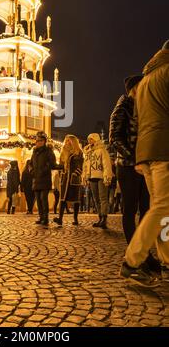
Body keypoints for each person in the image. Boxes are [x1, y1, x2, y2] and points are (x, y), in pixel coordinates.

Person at [120, 40, 169, 287]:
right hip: (164, 148)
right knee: (162, 207)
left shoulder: (147, 79)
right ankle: (133, 262)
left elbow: (139, 121)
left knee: (163, 209)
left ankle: (167, 260)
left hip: (147, 152)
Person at [109, 75, 150, 242]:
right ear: (135, 88)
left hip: (144, 164)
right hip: (127, 166)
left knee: (146, 209)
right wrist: (133, 157)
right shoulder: (123, 107)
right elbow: (115, 139)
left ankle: (142, 249)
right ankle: (133, 248)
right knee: (130, 209)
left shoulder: (144, 107)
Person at [82, 133, 113, 229]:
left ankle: (104, 218)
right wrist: (85, 176)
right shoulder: (88, 152)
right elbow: (85, 166)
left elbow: (106, 164)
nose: (89, 141)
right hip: (91, 177)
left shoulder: (102, 150)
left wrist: (107, 176)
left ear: (96, 139)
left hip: (101, 177)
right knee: (96, 199)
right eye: (88, 139)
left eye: (91, 139)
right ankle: (100, 217)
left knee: (103, 198)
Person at [30, 131, 59, 227]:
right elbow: (30, 164)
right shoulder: (34, 152)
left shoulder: (48, 151)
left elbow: (52, 163)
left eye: (41, 140)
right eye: (37, 140)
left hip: (45, 179)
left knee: (43, 199)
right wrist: (32, 172)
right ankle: (41, 216)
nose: (39, 142)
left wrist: (43, 170)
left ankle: (45, 217)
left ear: (44, 141)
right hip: (36, 179)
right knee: (38, 200)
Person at [54, 135, 84, 226]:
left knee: (76, 200)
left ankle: (75, 219)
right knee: (62, 199)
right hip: (65, 179)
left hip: (73, 179)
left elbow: (80, 166)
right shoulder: (63, 153)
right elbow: (61, 166)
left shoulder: (78, 152)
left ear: (73, 142)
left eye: (69, 141)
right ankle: (60, 219)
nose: (67, 142)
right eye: (66, 140)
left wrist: (76, 174)